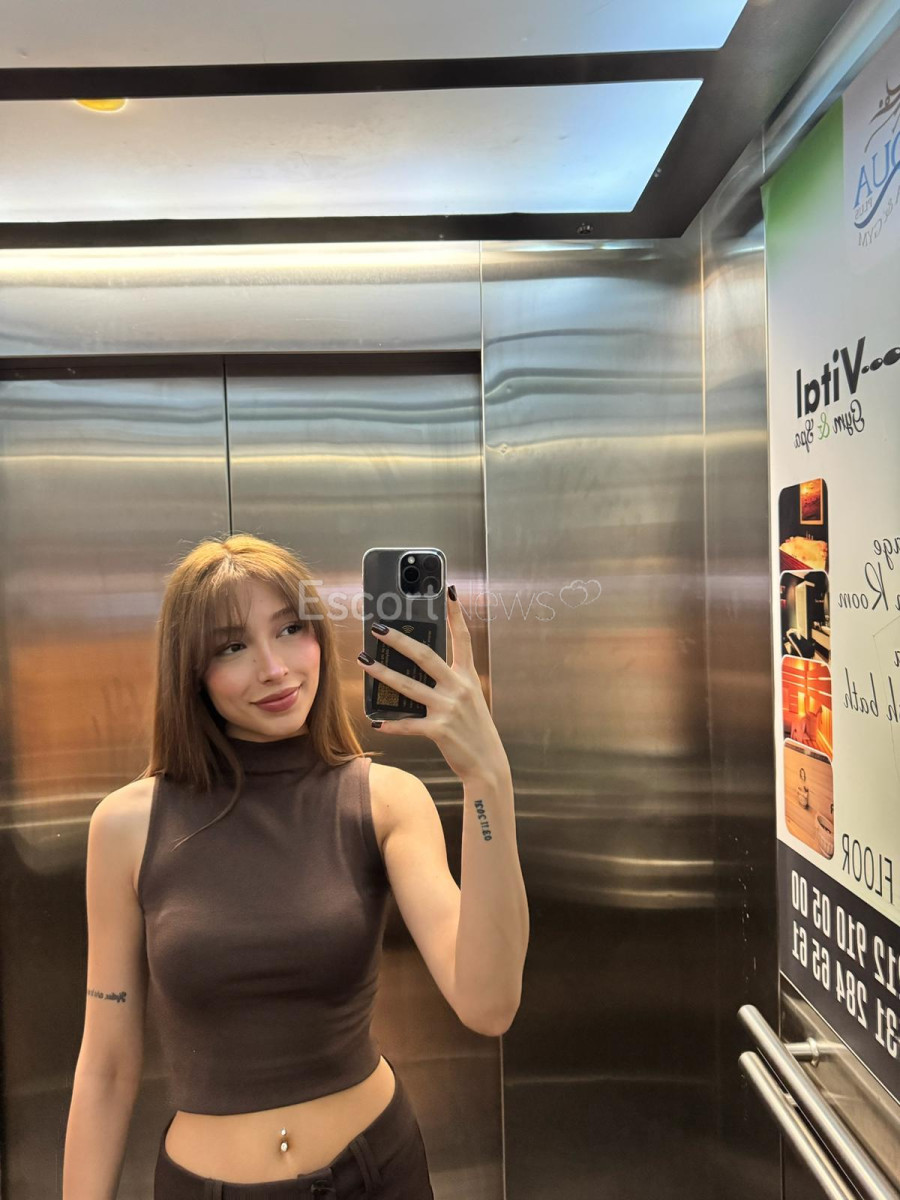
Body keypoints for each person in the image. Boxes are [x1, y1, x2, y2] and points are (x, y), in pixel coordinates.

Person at [63, 533, 529, 1199]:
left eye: (290, 630)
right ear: (191, 671)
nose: (274, 668)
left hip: (378, 1174)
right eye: (231, 646)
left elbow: (488, 1003)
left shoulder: (385, 800)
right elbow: (107, 1067)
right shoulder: (125, 826)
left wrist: (487, 780)